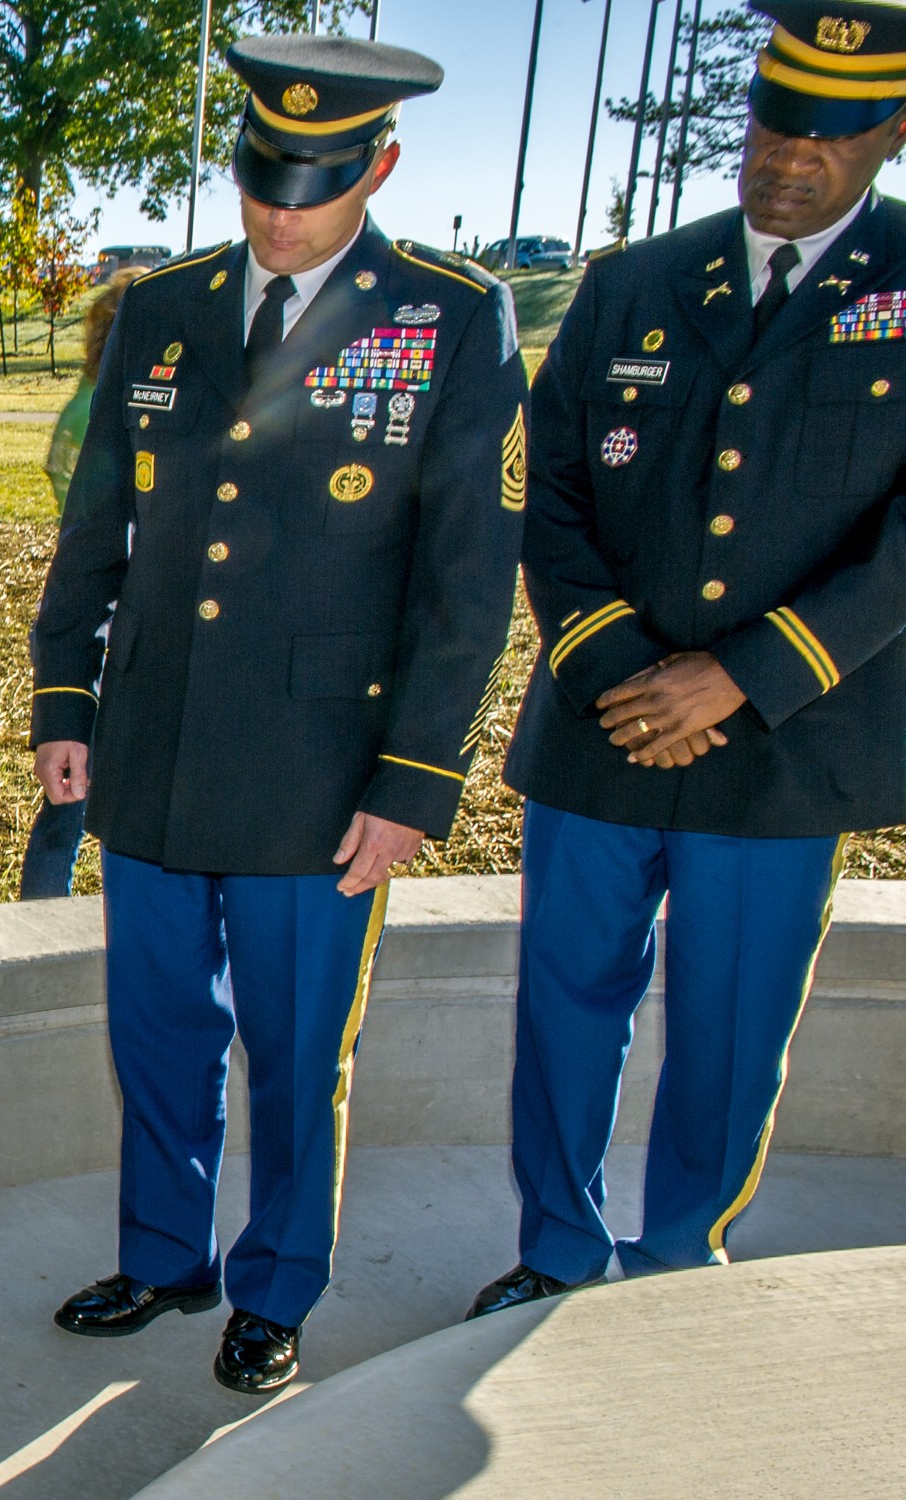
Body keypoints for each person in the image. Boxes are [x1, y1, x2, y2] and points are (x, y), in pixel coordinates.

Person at [30, 34, 528, 1394]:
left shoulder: (446, 316)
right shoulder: (164, 305)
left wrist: (414, 780)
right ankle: (164, 1257)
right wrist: (65, 694)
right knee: (157, 1031)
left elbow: (466, 583)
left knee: (299, 1050)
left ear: (380, 165)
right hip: (151, 749)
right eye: (258, 178)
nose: (273, 211)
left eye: (306, 186)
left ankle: (277, 1282)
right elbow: (97, 531)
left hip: (324, 770)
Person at [468, 0, 906, 1320]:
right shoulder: (636, 282)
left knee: (730, 1027)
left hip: (785, 745)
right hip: (601, 729)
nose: (789, 156)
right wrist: (612, 665)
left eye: (827, 136)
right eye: (775, 123)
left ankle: (673, 1271)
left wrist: (748, 673)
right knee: (564, 1009)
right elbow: (541, 485)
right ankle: (557, 1249)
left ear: (889, 131)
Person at [19, 268, 144, 901]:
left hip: (94, 619)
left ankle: (45, 906)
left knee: (70, 796)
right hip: (105, 628)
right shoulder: (110, 412)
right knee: (72, 794)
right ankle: (43, 913)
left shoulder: (87, 401)